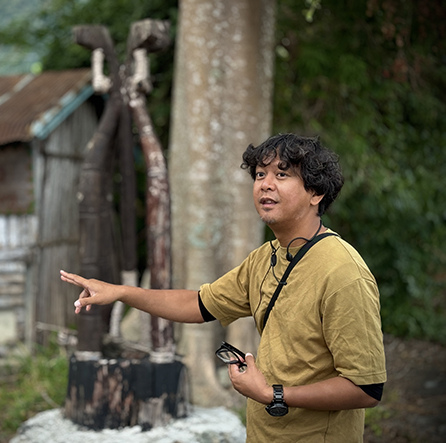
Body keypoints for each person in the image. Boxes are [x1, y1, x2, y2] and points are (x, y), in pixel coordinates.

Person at [60, 133, 387, 442]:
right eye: (260, 175)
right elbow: (198, 305)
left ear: (316, 193)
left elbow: (366, 388)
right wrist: (122, 293)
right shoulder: (264, 258)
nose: (265, 185)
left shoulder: (343, 272)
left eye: (282, 175)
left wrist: (271, 394)